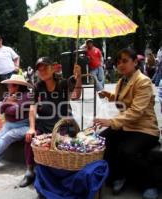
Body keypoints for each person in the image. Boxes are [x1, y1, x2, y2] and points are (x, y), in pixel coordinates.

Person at [94, 48, 159, 199]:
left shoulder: (143, 81)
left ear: (135, 62)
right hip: (127, 126)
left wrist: (111, 121)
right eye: (118, 62)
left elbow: (136, 111)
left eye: (125, 61)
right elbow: (123, 99)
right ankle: (117, 176)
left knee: (127, 150)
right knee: (100, 140)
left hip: (145, 129)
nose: (121, 65)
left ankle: (149, 184)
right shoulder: (122, 80)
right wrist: (109, 95)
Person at [19, 57, 82, 187]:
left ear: (53, 68)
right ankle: (30, 171)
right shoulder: (37, 87)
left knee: (62, 142)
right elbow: (32, 108)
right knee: (29, 138)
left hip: (62, 124)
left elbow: (76, 95)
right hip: (43, 124)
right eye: (39, 69)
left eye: (45, 68)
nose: (42, 71)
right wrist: (31, 127)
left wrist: (79, 76)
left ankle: (59, 175)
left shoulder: (63, 83)